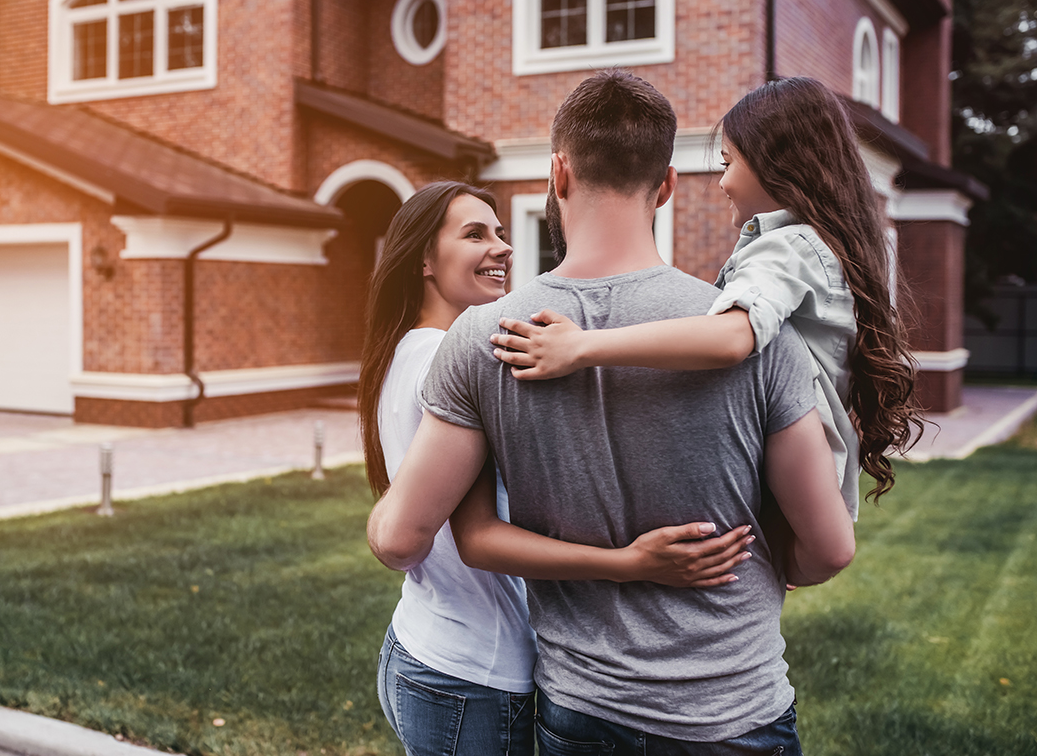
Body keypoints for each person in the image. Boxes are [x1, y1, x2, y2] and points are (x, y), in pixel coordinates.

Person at [367, 70, 856, 753]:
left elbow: (413, 535)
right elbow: (829, 547)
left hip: (582, 707)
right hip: (732, 705)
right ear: (665, 186)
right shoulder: (758, 336)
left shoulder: (486, 338)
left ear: (559, 174)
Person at [360, 180, 754, 756]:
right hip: (475, 674)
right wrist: (627, 564)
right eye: (475, 234)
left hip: (422, 646)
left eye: (499, 232)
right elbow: (443, 539)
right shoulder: (450, 361)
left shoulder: (408, 349)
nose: (502, 247)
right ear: (423, 257)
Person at [488, 76, 922, 521]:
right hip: (805, 485)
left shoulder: (791, 247)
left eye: (728, 162)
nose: (722, 182)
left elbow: (731, 338)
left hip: (790, 478)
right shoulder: (816, 247)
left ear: (778, 166)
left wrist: (581, 348)